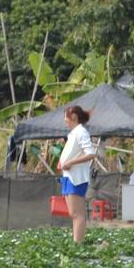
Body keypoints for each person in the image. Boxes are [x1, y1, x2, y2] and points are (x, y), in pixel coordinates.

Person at [56, 104, 96, 244]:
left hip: (76, 178)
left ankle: (78, 244)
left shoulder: (81, 132)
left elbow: (90, 153)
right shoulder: (73, 133)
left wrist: (71, 162)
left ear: (73, 117)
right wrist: (62, 163)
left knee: (78, 214)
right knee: (73, 213)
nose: (65, 120)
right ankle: (76, 242)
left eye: (66, 117)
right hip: (68, 176)